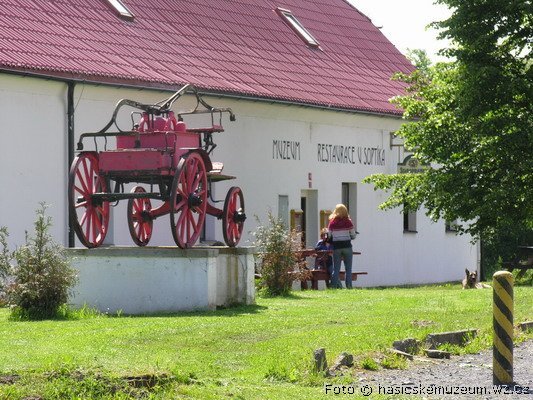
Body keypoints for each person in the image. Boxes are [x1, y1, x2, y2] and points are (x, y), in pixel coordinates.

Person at [327, 204, 356, 289]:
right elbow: (353, 235)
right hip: (347, 246)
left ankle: (333, 286)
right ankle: (349, 286)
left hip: (337, 247)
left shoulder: (332, 222)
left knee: (336, 268)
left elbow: (329, 236)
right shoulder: (348, 221)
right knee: (348, 268)